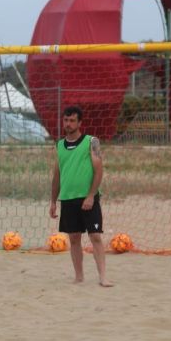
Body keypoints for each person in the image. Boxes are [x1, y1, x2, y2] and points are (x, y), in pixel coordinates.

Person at [50, 105, 112, 287]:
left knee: (95, 237)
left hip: (87, 198)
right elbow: (57, 175)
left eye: (72, 121)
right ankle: (79, 276)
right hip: (68, 199)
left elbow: (99, 170)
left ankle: (103, 277)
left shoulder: (92, 142)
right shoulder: (59, 145)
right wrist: (53, 201)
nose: (68, 124)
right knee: (74, 239)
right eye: (66, 120)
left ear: (80, 123)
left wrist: (91, 195)